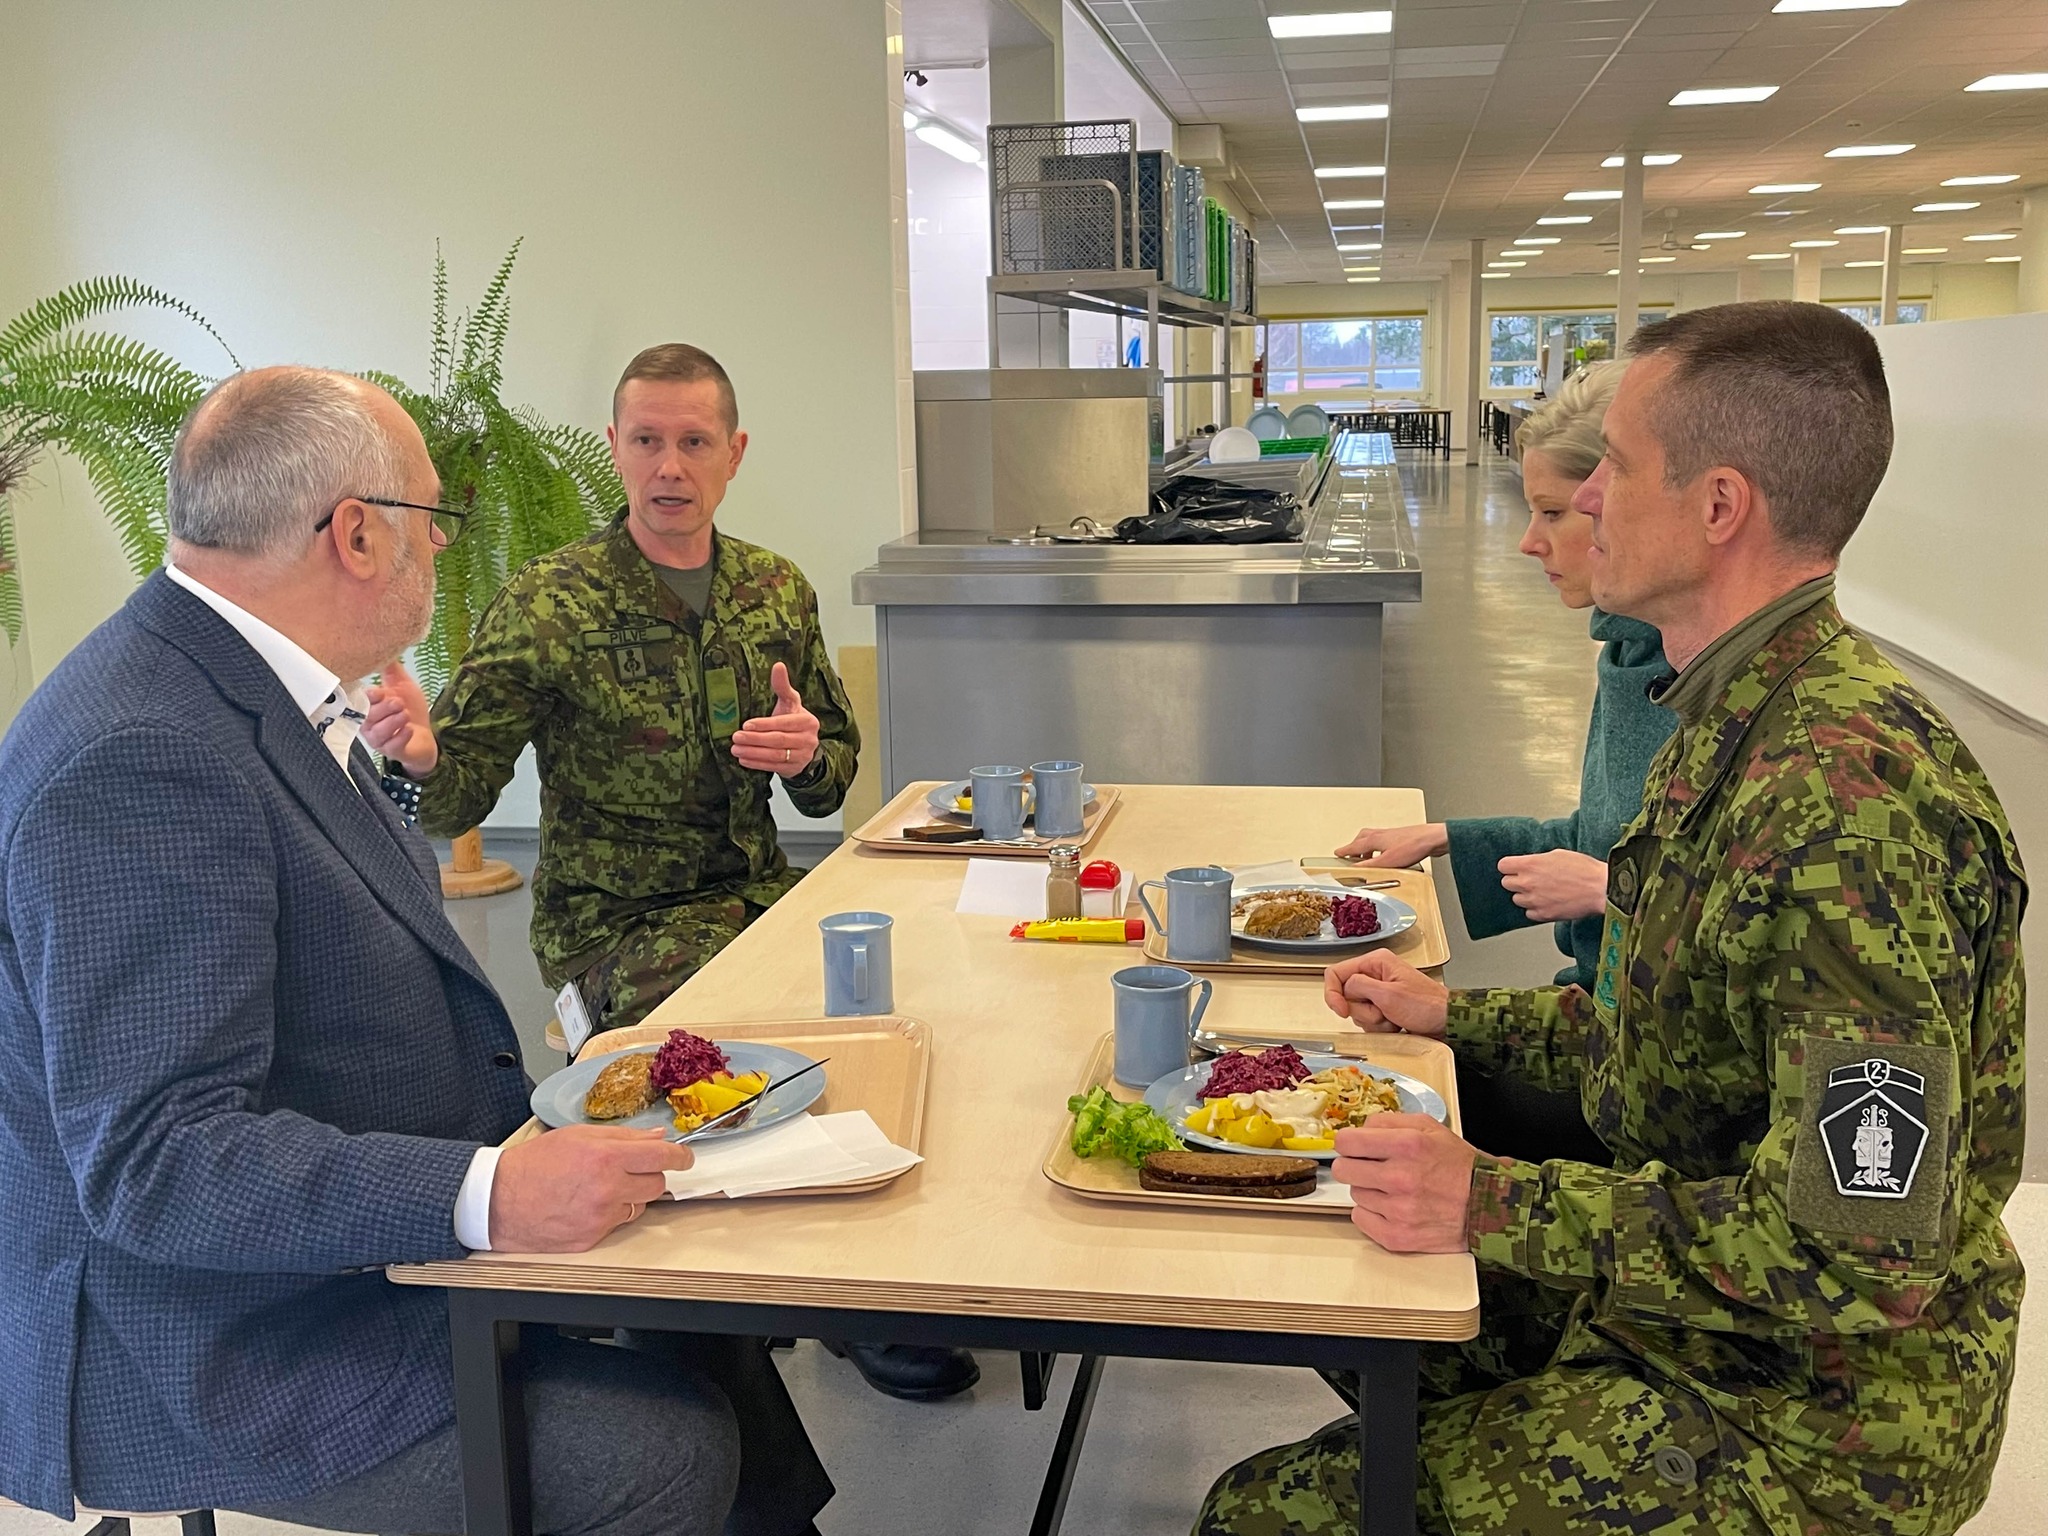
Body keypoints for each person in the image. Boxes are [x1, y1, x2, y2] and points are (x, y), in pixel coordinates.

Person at [1196, 301, 2026, 1536]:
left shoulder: (1845, 808)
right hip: (1693, 1310)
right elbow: (1673, 1050)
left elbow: (1859, 1251)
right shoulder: (1727, 726)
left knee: (1262, 1515)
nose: (1579, 505)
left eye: (1614, 471)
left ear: (1718, 505)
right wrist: (1447, 1014)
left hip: (1815, 1415)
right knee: (1343, 1284)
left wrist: (1487, 1201)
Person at [0, 368, 832, 1535]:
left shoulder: (248, 689)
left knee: (688, 1309)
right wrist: (486, 1191)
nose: (440, 555)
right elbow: (157, 1164)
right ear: (354, 534)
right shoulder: (144, 758)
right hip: (212, 1341)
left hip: (338, 1235)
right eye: (433, 524)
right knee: (667, 1451)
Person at [370, 343, 976, 1403]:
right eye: (646, 440)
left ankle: (846, 1291)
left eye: (693, 441)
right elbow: (455, 797)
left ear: (732, 454)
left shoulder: (772, 588)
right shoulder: (548, 603)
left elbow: (832, 781)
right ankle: (716, 1345)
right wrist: (417, 756)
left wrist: (807, 754)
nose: (668, 466)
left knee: (896, 1010)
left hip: (758, 897)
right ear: (614, 448)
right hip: (617, 926)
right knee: (717, 1068)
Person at [1337, 362, 1672, 1165]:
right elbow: (1606, 837)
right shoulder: (1631, 657)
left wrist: (1606, 892)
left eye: (1557, 512)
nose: (1530, 542)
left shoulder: (1728, 703)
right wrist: (1447, 835)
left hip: (1644, 1078)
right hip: (1600, 1022)